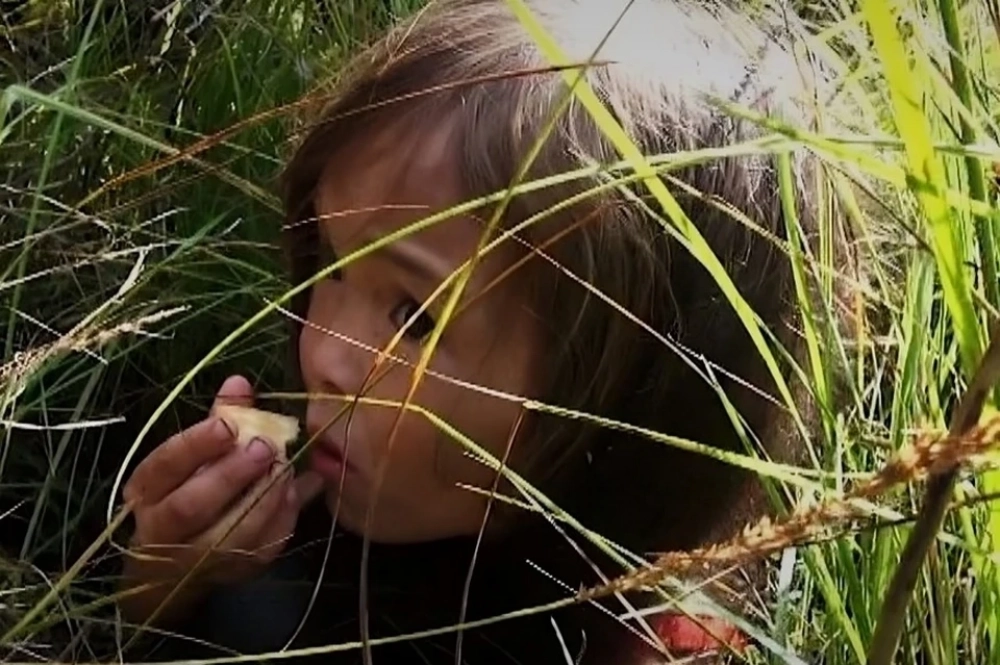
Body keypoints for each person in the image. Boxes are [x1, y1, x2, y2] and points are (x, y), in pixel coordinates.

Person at [117, 0, 855, 663]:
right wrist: (162, 572)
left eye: (416, 317)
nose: (324, 353)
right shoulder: (311, 522)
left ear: (628, 409)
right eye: (331, 264)